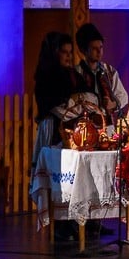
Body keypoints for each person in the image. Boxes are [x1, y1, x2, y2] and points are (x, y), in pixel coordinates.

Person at [32, 31, 82, 167]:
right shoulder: (46, 78)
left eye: (70, 52)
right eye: (64, 52)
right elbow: (56, 106)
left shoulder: (72, 75)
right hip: (52, 130)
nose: (68, 56)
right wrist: (74, 104)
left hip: (70, 130)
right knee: (51, 171)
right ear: (55, 53)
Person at [74, 22, 129, 125]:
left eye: (101, 47)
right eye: (94, 48)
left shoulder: (109, 71)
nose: (99, 52)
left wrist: (112, 104)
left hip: (107, 125)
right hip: (84, 127)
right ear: (83, 50)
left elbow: (123, 96)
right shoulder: (76, 73)